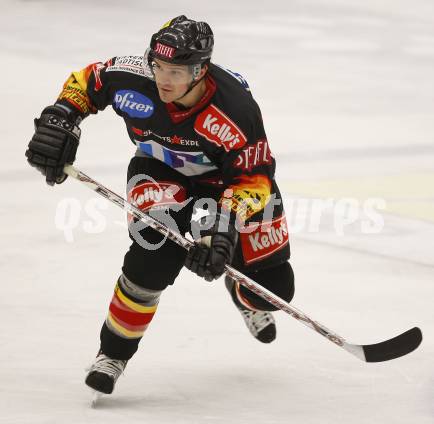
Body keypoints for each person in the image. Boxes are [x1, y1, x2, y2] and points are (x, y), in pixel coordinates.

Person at [25, 15, 295, 395]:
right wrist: (61, 116)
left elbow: (254, 178)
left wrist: (223, 230)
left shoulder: (236, 108)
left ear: (201, 70)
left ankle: (240, 289)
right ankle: (112, 354)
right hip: (159, 170)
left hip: (227, 183)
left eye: (177, 71)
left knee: (275, 287)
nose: (164, 79)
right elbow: (89, 81)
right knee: (151, 258)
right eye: (160, 67)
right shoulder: (133, 77)